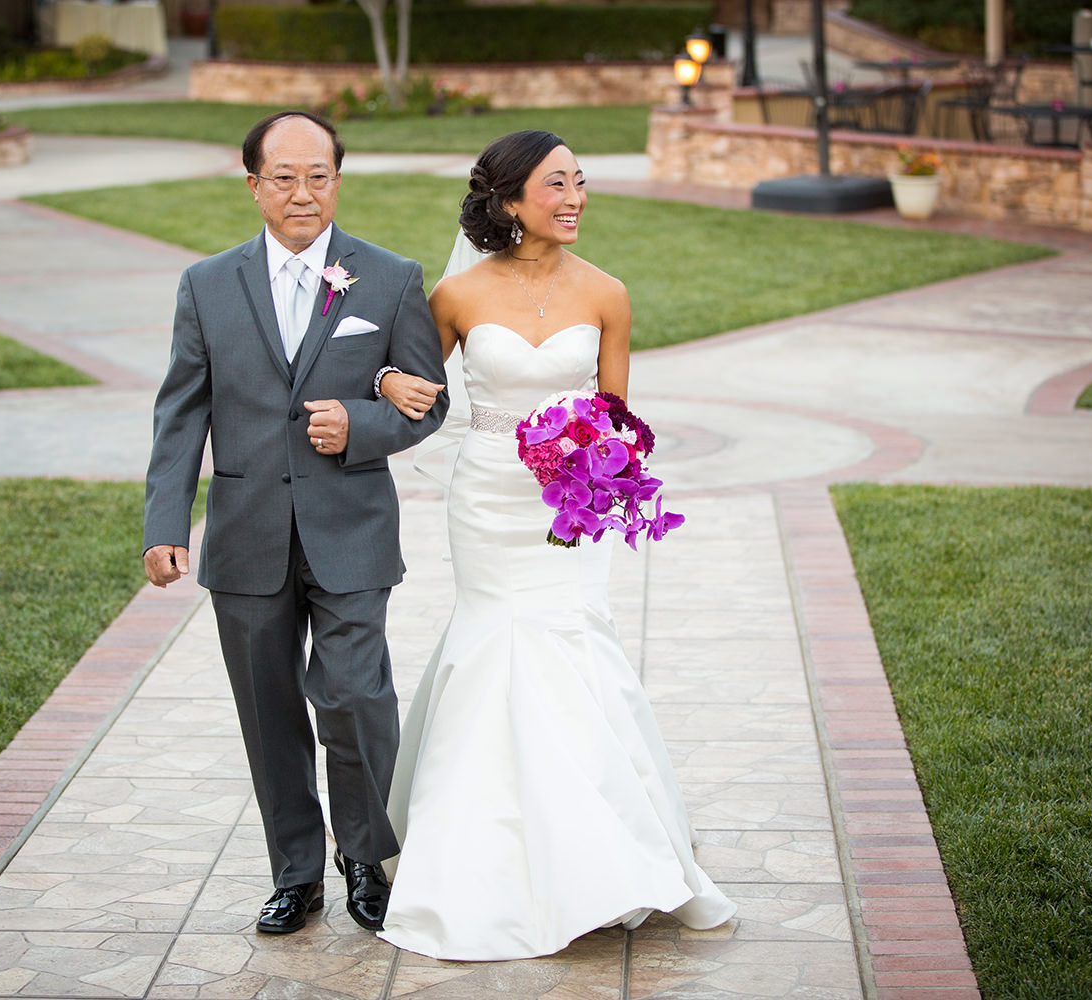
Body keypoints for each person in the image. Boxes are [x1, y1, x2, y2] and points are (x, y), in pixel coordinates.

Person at [373, 130, 737, 961]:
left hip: (568, 508)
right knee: (494, 644)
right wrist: (386, 379)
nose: (573, 198)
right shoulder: (458, 295)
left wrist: (601, 465)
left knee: (572, 647)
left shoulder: (608, 293)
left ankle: (604, 858)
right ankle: (476, 858)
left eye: (579, 183)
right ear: (507, 202)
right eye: (555, 185)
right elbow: (416, 391)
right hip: (488, 501)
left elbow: (616, 416)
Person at [141, 110, 449, 936]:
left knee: (353, 696)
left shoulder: (387, 279)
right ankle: (296, 874)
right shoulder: (206, 286)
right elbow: (182, 414)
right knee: (269, 710)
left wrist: (362, 426)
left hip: (349, 529)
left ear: (338, 181)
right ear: (253, 185)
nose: (303, 193)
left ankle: (365, 854)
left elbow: (428, 402)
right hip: (244, 536)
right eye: (284, 177)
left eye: (319, 176)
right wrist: (165, 522)